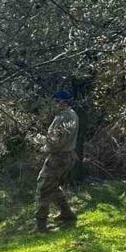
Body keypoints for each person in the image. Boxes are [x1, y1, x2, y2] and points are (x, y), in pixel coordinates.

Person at [35, 89, 79, 232]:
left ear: (62, 102)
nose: (54, 104)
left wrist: (42, 141)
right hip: (64, 156)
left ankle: (41, 226)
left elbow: (58, 141)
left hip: (59, 157)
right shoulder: (68, 115)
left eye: (56, 101)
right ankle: (67, 213)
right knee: (52, 186)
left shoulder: (66, 117)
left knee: (43, 188)